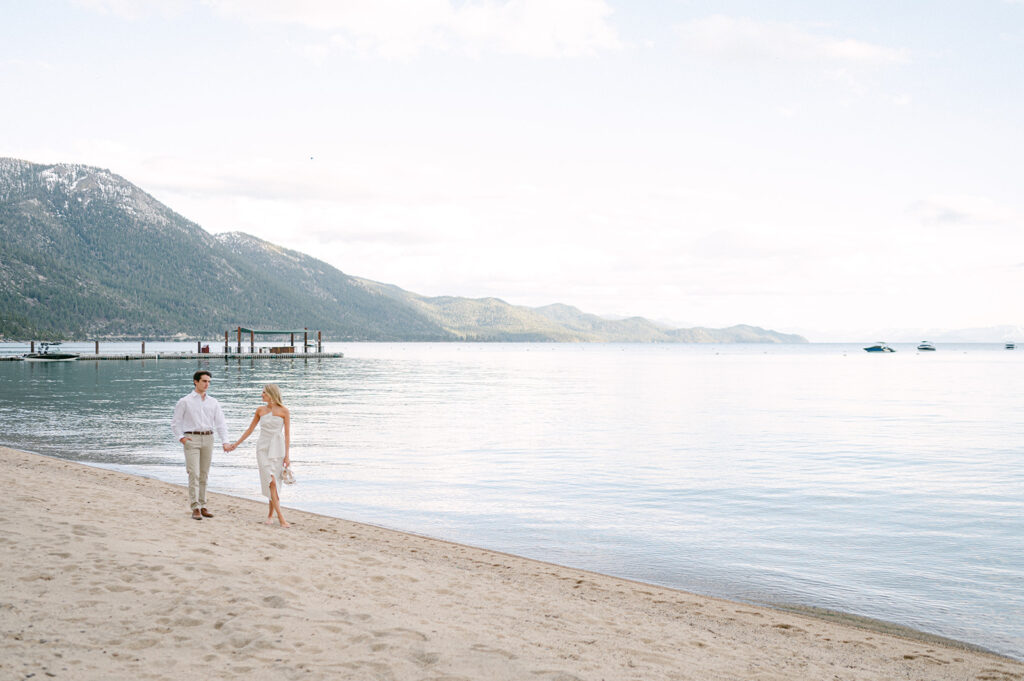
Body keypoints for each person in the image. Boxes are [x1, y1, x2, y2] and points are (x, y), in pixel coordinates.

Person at [228, 384, 291, 527]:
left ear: (271, 394)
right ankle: (281, 518)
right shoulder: (260, 410)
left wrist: (287, 456)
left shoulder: (284, 411)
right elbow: (250, 429)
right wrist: (236, 444)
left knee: (274, 483)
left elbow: (287, 435)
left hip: (278, 449)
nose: (261, 395)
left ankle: (270, 515)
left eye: (263, 392)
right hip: (263, 448)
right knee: (271, 481)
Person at [171, 370, 231, 520]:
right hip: (191, 438)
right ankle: (195, 507)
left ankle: (203, 505)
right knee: (194, 473)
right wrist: (182, 438)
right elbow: (175, 423)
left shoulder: (213, 402)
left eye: (209, 381)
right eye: (204, 381)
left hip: (208, 438)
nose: (207, 384)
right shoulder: (185, 401)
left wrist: (225, 441)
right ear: (195, 382)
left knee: (204, 474)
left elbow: (220, 423)